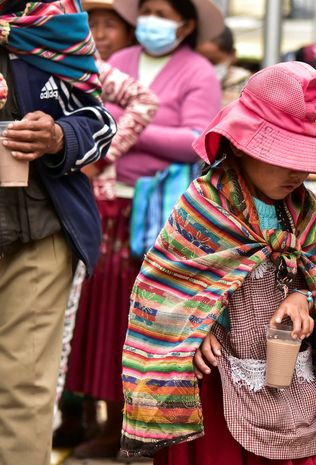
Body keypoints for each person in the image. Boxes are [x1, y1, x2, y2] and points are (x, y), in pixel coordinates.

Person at [117, 61, 316, 465]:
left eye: (305, 158)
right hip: (214, 379)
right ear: (244, 143)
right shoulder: (203, 207)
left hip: (289, 378)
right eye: (284, 156)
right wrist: (196, 327)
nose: (298, 172)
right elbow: (163, 288)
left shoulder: (308, 210)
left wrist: (303, 298)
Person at [63, 0, 223, 457]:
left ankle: (140, 430)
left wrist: (122, 127)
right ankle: (104, 421)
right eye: (147, 9)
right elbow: (89, 114)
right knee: (100, 316)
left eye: (163, 12)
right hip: (107, 207)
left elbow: (197, 141)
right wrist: (138, 126)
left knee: (146, 322)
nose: (151, 18)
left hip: (160, 220)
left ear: (187, 24)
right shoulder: (121, 63)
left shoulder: (198, 72)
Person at [0, 1, 116, 464]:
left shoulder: (56, 23)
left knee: (24, 386)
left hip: (40, 228)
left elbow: (100, 121)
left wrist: (59, 137)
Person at [53, 0, 159, 452]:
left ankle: (112, 426)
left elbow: (145, 101)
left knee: (98, 317)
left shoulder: (88, 66)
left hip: (95, 206)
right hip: (49, 203)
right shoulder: (36, 59)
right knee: (67, 323)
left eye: (106, 24)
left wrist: (100, 153)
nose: (98, 31)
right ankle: (74, 418)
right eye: (90, 22)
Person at [197, 26, 252, 106]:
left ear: (232, 55)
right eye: (203, 61)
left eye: (213, 62)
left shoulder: (245, 85)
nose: (207, 67)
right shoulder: (188, 80)